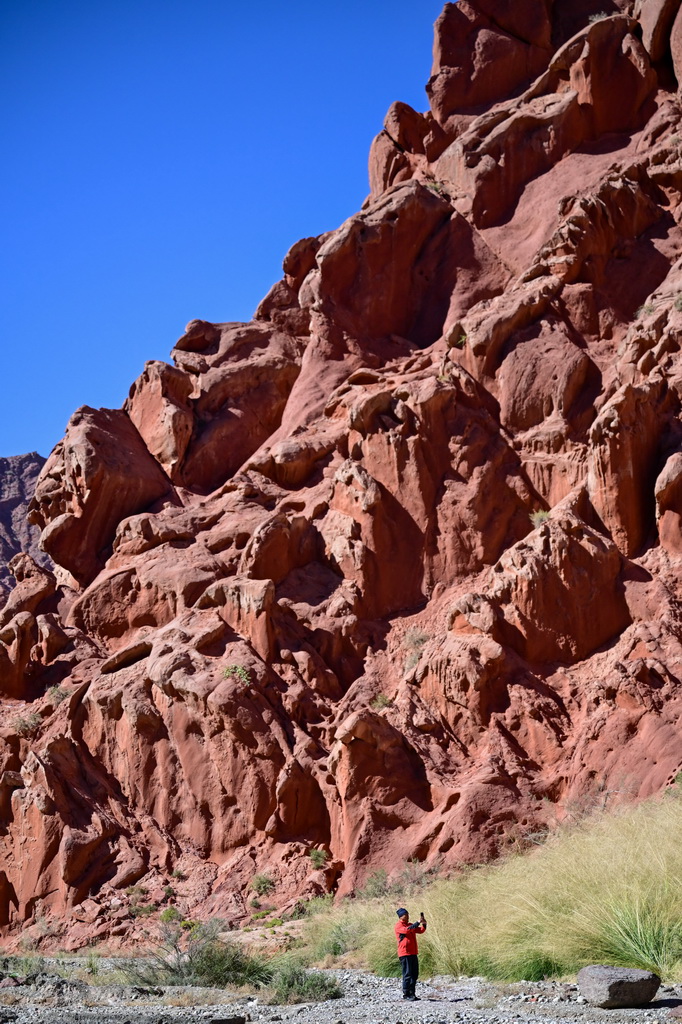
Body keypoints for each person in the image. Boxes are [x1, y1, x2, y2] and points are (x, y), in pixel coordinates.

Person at [394, 907, 427, 1001]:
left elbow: (421, 930)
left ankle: (412, 993)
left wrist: (424, 923)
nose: (408, 916)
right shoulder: (398, 926)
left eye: (408, 914)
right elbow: (407, 930)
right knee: (407, 974)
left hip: (413, 952)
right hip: (404, 953)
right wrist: (417, 922)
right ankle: (406, 994)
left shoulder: (410, 925)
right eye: (406, 915)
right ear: (401, 916)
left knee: (414, 974)